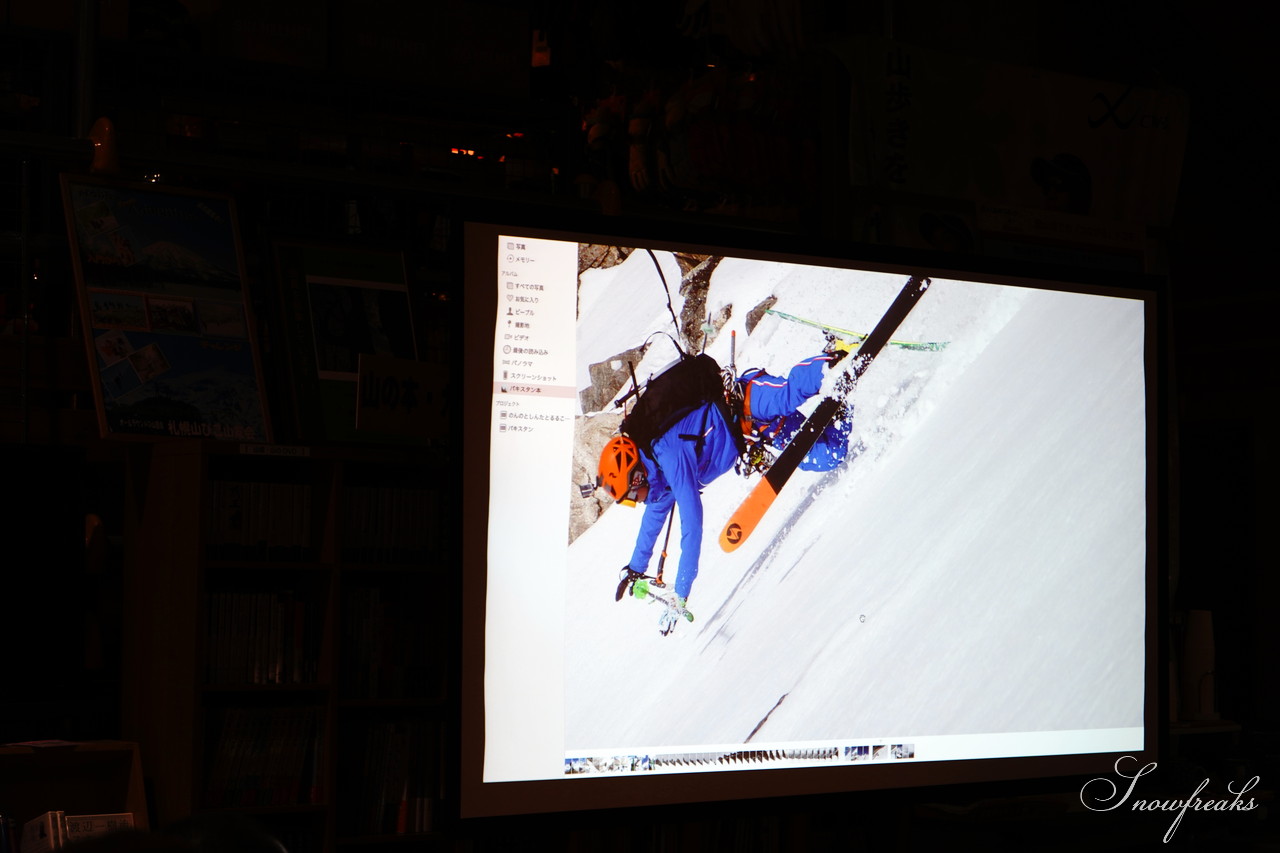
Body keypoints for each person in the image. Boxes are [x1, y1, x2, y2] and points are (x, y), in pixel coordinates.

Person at [597, 340, 855, 631]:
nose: (638, 501)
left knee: (788, 395)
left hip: (746, 399)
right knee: (831, 454)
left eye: (632, 496)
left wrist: (681, 593)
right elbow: (652, 521)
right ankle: (846, 393)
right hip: (755, 431)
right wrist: (635, 569)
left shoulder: (669, 457)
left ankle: (836, 358)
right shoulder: (658, 482)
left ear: (636, 476)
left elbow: (692, 527)